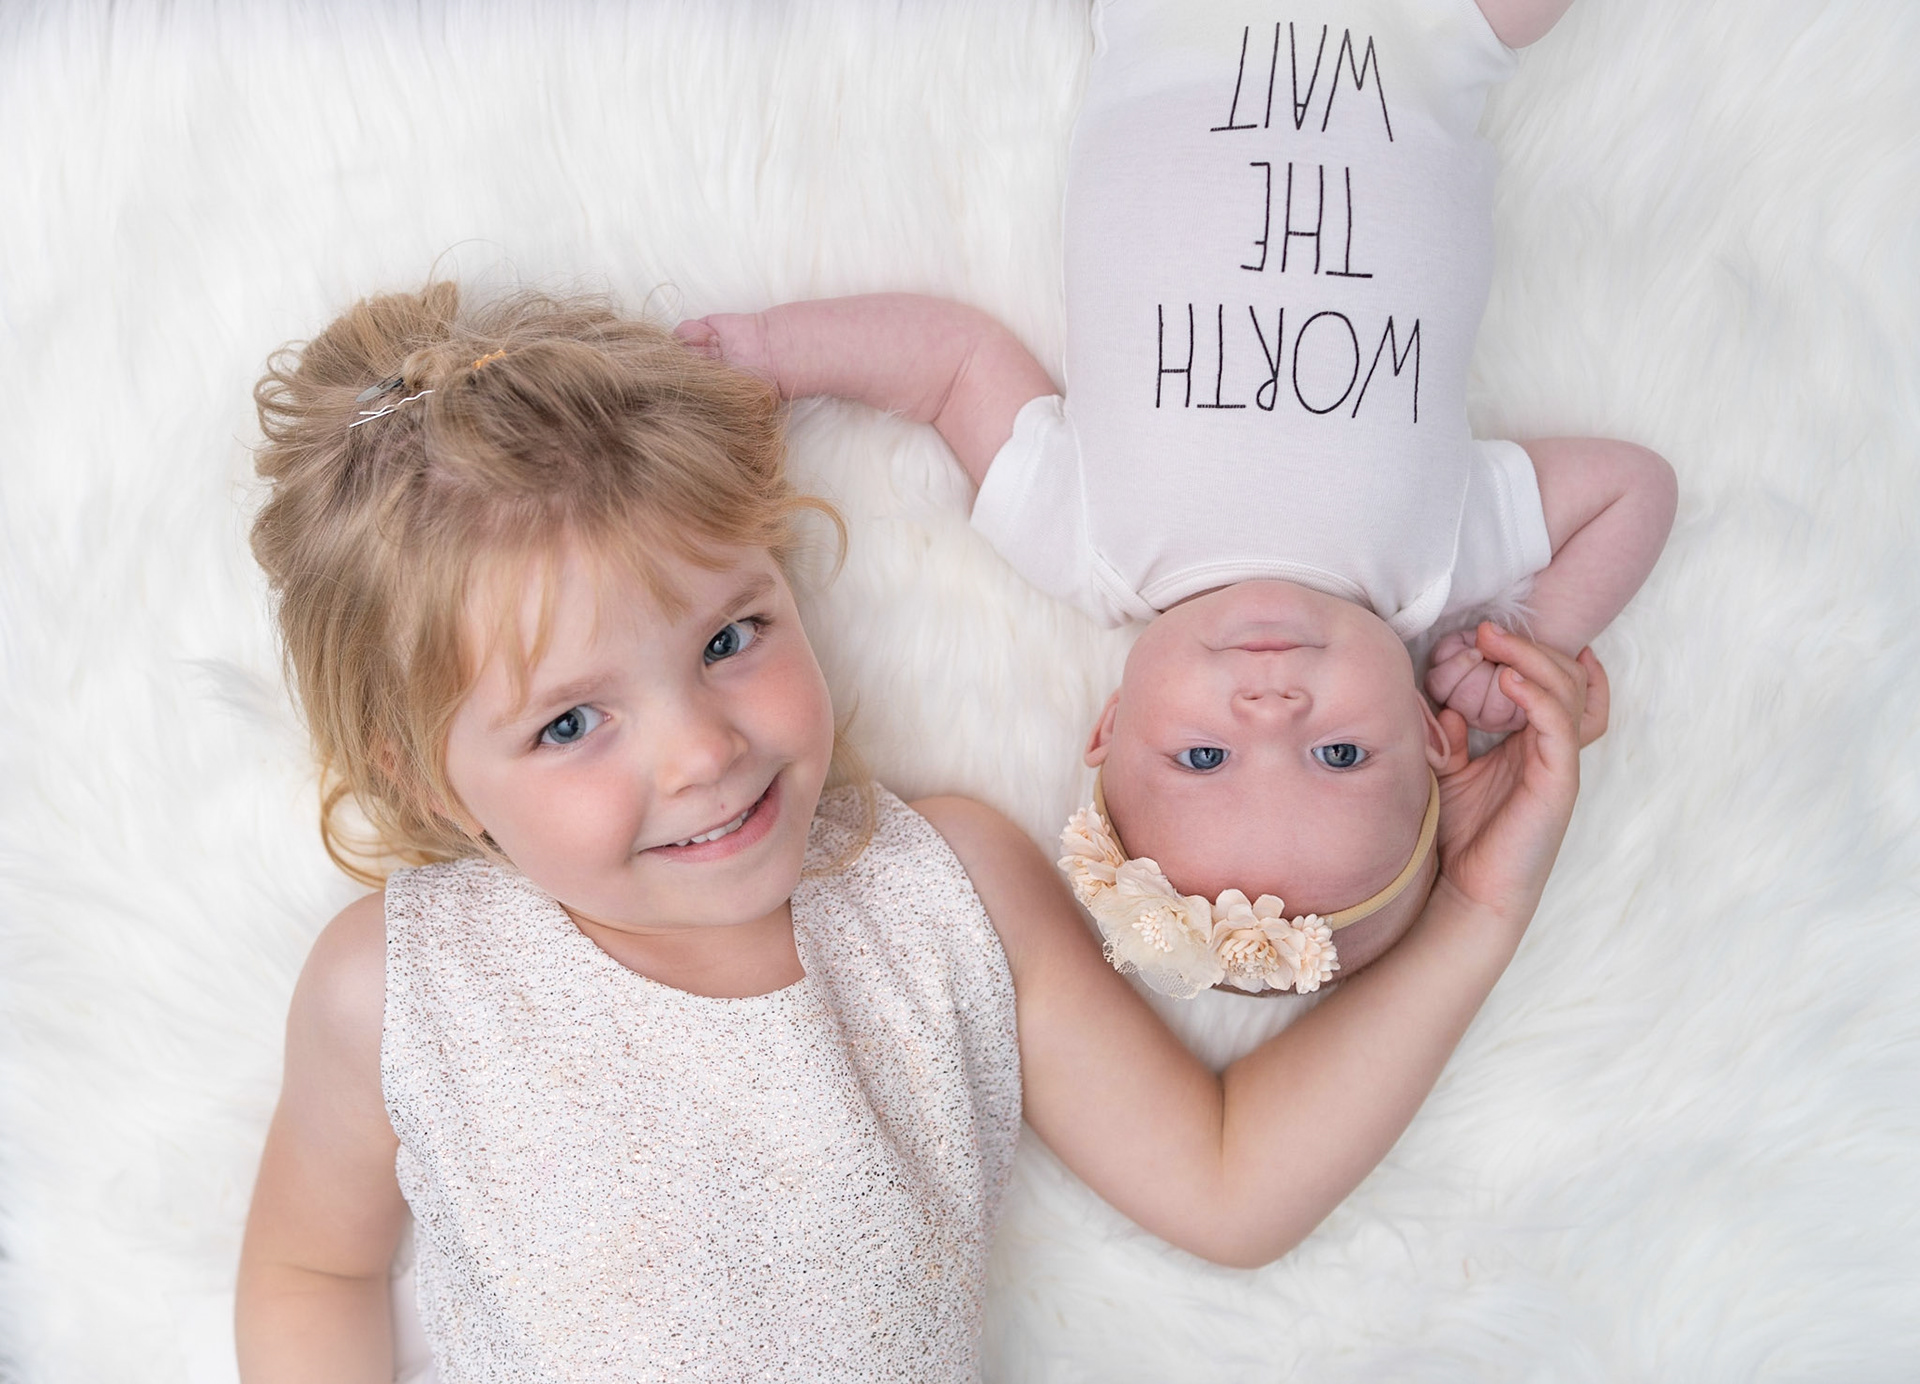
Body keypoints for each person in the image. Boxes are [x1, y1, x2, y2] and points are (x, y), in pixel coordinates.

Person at [236, 281, 1605, 1382]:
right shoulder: (402, 985)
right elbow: (313, 1270)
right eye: (572, 723)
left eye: (730, 639)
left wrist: (1477, 910)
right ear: (431, 783)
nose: (704, 751)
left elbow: (1230, 1185)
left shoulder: (944, 890)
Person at [675, 0, 1674, 1001]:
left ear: (1110, 728)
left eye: (1204, 755)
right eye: (1338, 753)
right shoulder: (1438, 563)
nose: (1270, 710)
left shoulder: (1086, 543)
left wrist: (777, 352)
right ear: (1433, 733)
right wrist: (1533, 637)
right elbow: (1635, 491)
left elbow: (952, 367)